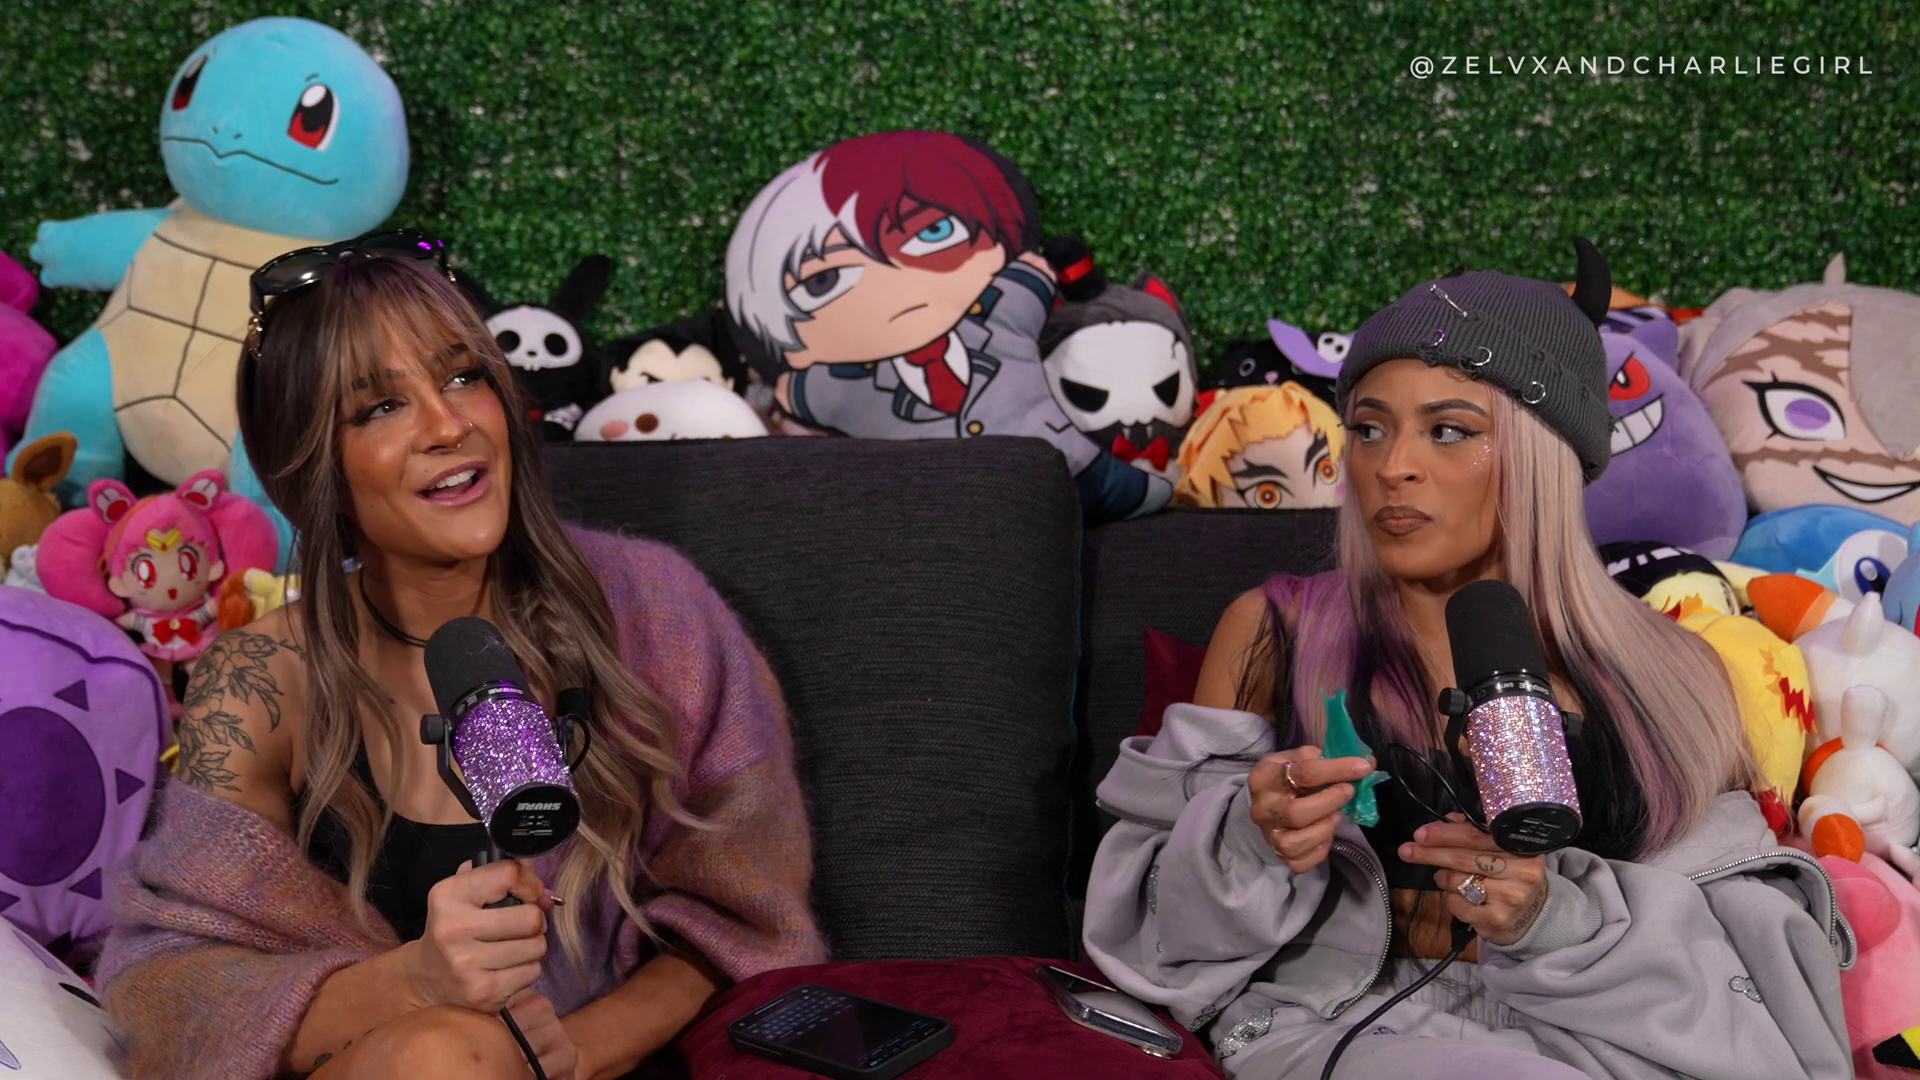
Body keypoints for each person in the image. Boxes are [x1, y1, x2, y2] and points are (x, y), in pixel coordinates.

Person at [1083, 242, 1853, 1079]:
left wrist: (1554, 921)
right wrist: (1249, 839)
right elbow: (1151, 927)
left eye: (1449, 431)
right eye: (1369, 429)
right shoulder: (1275, 633)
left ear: (1543, 454)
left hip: (1602, 1040)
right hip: (1344, 1026)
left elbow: (1750, 958)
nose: (1392, 467)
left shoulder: (1674, 674)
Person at [95, 232, 827, 1080]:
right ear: (311, 466)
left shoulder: (658, 615)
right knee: (443, 1053)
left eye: (462, 377)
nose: (448, 426)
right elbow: (168, 995)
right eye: (379, 407)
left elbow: (743, 913)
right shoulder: (258, 682)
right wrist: (415, 981)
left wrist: (573, 1053)